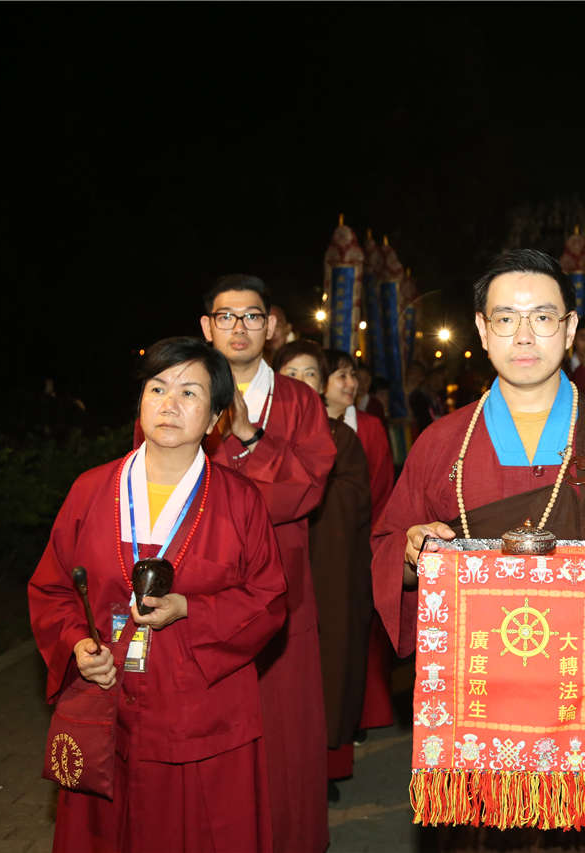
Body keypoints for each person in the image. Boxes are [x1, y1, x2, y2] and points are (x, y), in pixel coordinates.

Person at [370, 249, 585, 851]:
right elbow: (386, 547)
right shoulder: (442, 443)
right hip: (477, 710)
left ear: (570, 326)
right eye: (506, 318)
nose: (524, 335)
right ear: (482, 330)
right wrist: (409, 553)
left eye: (543, 317)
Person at [29, 337, 287, 852]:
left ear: (215, 418)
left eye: (190, 392)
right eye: (157, 388)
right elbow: (53, 588)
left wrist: (190, 608)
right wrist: (78, 645)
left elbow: (268, 600)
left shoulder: (239, 501)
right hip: (105, 701)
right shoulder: (91, 490)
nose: (169, 403)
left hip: (199, 714)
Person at [185, 274, 337, 852]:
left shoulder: (298, 401)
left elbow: (308, 489)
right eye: (226, 317)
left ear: (270, 326)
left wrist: (251, 437)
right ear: (207, 327)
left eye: (252, 316)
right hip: (199, 589)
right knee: (204, 723)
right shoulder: (183, 392)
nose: (239, 327)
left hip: (280, 586)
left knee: (283, 728)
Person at [275, 340, 374, 796]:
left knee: (325, 667)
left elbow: (356, 500)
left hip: (327, 572)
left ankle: (319, 766)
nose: (300, 382)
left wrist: (310, 490)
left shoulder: (340, 438)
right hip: (272, 571)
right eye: (290, 373)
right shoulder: (254, 435)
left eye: (310, 374)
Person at [319, 347, 399, 740]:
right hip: (320, 547)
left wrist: (376, 542)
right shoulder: (306, 427)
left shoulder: (369, 426)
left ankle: (360, 713)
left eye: (353, 375)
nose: (351, 384)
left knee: (361, 632)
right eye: (341, 376)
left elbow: (383, 488)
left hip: (363, 541)